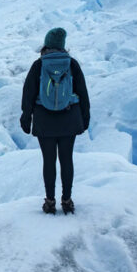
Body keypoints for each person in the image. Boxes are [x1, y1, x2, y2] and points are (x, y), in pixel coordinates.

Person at [20, 27, 90, 215]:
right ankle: (67, 200)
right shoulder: (72, 64)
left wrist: (26, 118)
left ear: (47, 44)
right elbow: (82, 92)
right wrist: (85, 118)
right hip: (69, 120)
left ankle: (50, 202)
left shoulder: (39, 65)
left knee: (48, 161)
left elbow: (28, 94)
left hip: (44, 120)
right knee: (67, 160)